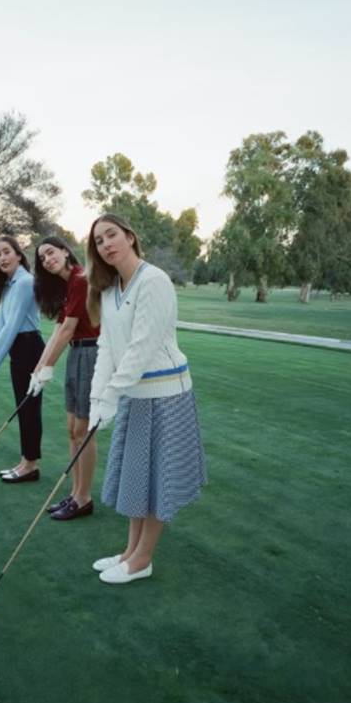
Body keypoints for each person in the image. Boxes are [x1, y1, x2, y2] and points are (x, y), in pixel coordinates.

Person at [86, 213, 206, 583]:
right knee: (137, 476)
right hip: (135, 395)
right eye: (99, 241)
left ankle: (143, 559)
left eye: (112, 235)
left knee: (158, 481)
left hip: (165, 395)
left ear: (130, 236)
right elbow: (106, 347)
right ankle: (130, 552)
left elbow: (141, 348)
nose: (106, 244)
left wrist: (112, 396)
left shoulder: (154, 281)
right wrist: (97, 400)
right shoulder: (108, 291)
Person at [28, 236, 100, 520]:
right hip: (76, 354)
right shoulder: (69, 284)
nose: (47, 259)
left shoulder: (82, 278)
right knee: (72, 429)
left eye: (50, 252)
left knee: (83, 431)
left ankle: (84, 498)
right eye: (42, 258)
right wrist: (38, 367)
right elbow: (58, 331)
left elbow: (69, 329)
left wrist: (48, 368)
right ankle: (74, 493)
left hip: (91, 354)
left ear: (65, 251)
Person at [0, 235, 44, 483]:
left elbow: (11, 327)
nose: (2, 258)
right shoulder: (10, 284)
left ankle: (30, 465)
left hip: (29, 347)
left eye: (7, 252)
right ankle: (26, 461)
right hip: (20, 348)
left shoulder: (25, 282)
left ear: (19, 254)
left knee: (29, 409)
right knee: (23, 407)